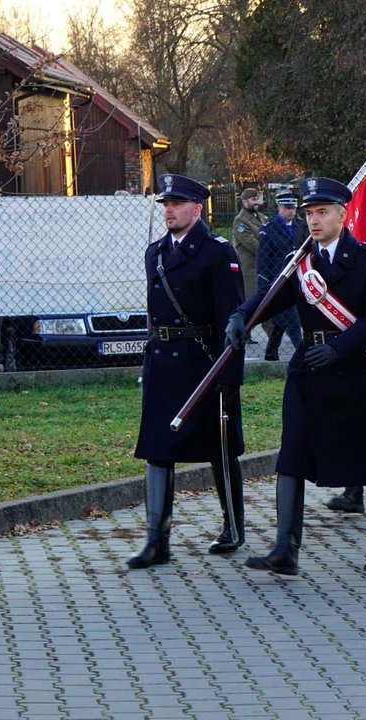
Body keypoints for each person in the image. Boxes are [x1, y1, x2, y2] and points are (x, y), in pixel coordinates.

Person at [226, 177, 366, 575]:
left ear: (343, 214)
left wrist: (339, 348)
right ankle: (286, 548)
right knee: (293, 452)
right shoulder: (301, 262)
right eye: (309, 213)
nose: (314, 220)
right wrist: (242, 315)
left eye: (322, 212)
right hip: (309, 369)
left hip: (357, 366)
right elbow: (272, 295)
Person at [130, 174, 246, 568]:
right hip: (163, 361)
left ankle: (233, 526)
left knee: (220, 447)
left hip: (204, 363)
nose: (169, 210)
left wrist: (229, 379)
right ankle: (156, 541)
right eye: (165, 204)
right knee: (157, 450)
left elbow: (233, 321)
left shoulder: (218, 252)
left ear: (197, 209)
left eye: (177, 204)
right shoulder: (155, 253)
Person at [258, 190, 305, 361]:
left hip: (299, 280)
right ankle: (303, 356)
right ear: (279, 207)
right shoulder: (268, 229)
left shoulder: (301, 225)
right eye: (287, 208)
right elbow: (263, 260)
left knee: (281, 320)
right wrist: (264, 285)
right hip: (278, 281)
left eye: (293, 207)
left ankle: (271, 353)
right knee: (292, 321)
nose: (291, 211)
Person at [233, 188, 267, 341]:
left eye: (257, 199)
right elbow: (252, 244)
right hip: (250, 269)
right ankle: (244, 333)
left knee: (266, 302)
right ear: (245, 202)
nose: (256, 202)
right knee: (251, 302)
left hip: (264, 268)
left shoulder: (261, 217)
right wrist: (270, 249)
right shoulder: (240, 221)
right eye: (253, 200)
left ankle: (271, 337)